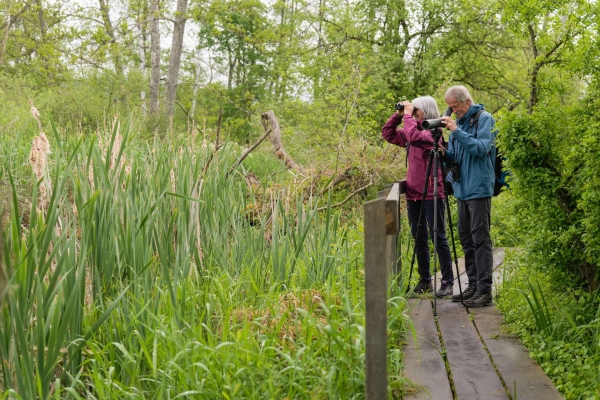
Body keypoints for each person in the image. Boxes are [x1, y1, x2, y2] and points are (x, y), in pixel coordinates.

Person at [382, 96, 454, 298]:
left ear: (427, 110)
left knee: (438, 236)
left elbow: (413, 136)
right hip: (414, 193)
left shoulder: (434, 133)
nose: (413, 113)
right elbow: (387, 134)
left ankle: (447, 281)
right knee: (419, 237)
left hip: (432, 192)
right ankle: (425, 280)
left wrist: (407, 116)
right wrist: (397, 116)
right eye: (412, 111)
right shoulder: (411, 130)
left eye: (416, 110)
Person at [441, 86, 495, 307]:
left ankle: (485, 290)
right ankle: (472, 284)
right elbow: (455, 158)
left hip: (479, 188)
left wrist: (456, 130)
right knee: (466, 237)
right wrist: (443, 152)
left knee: (480, 239)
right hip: (462, 189)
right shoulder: (459, 126)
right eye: (451, 108)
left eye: (456, 106)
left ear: (467, 101)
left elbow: (481, 148)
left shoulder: (485, 119)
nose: (454, 111)